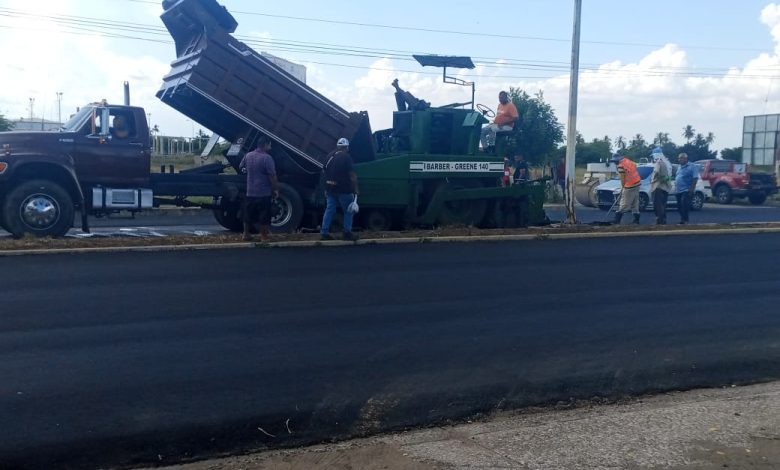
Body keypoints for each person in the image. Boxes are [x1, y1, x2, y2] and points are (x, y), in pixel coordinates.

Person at [239, 136, 279, 242]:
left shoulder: (248, 155)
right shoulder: (267, 158)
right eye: (270, 145)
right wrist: (275, 189)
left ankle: (245, 234)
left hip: (250, 191)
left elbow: (241, 167)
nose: (270, 147)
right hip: (263, 192)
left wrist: (248, 171)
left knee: (248, 214)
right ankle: (264, 237)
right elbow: (272, 176)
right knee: (264, 215)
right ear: (265, 145)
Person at [321, 137, 359, 241]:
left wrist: (326, 188)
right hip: (343, 190)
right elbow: (352, 175)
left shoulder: (329, 156)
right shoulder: (346, 157)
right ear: (346, 147)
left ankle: (324, 233)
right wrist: (355, 189)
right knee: (348, 210)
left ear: (338, 146)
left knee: (329, 210)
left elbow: (324, 172)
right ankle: (347, 233)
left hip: (330, 189)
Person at [611, 153, 641, 225]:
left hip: (629, 186)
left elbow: (622, 178)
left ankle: (617, 220)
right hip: (637, 183)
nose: (614, 163)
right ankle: (636, 220)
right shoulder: (628, 161)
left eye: (615, 161)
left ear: (617, 160)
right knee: (635, 203)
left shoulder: (621, 166)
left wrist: (622, 187)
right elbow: (635, 166)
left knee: (624, 203)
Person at [674, 152, 698, 225]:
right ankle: (682, 220)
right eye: (679, 158)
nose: (679, 159)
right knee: (679, 206)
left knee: (684, 204)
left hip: (687, 189)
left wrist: (691, 189)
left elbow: (695, 178)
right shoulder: (679, 167)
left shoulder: (692, 166)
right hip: (678, 190)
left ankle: (685, 220)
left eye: (681, 158)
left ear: (686, 158)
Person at [650, 147, 672, 224]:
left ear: (656, 155)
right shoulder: (667, 162)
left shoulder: (659, 162)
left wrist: (654, 180)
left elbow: (656, 172)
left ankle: (659, 220)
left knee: (657, 205)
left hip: (658, 186)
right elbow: (669, 176)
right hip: (666, 187)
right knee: (663, 205)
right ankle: (663, 220)